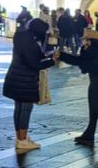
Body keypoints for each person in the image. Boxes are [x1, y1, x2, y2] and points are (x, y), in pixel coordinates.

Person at [3, 17, 59, 151]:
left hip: (15, 76)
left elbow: (34, 56)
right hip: (25, 80)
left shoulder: (21, 37)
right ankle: (23, 140)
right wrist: (53, 61)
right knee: (26, 109)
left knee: (18, 108)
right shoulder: (32, 43)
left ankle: (20, 138)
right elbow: (34, 64)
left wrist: (48, 55)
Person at [59, 28, 98, 147]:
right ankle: (89, 135)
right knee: (94, 111)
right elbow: (82, 63)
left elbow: (82, 64)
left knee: (97, 110)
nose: (83, 41)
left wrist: (62, 55)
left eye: (85, 39)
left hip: (97, 82)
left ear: (91, 40)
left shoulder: (94, 51)